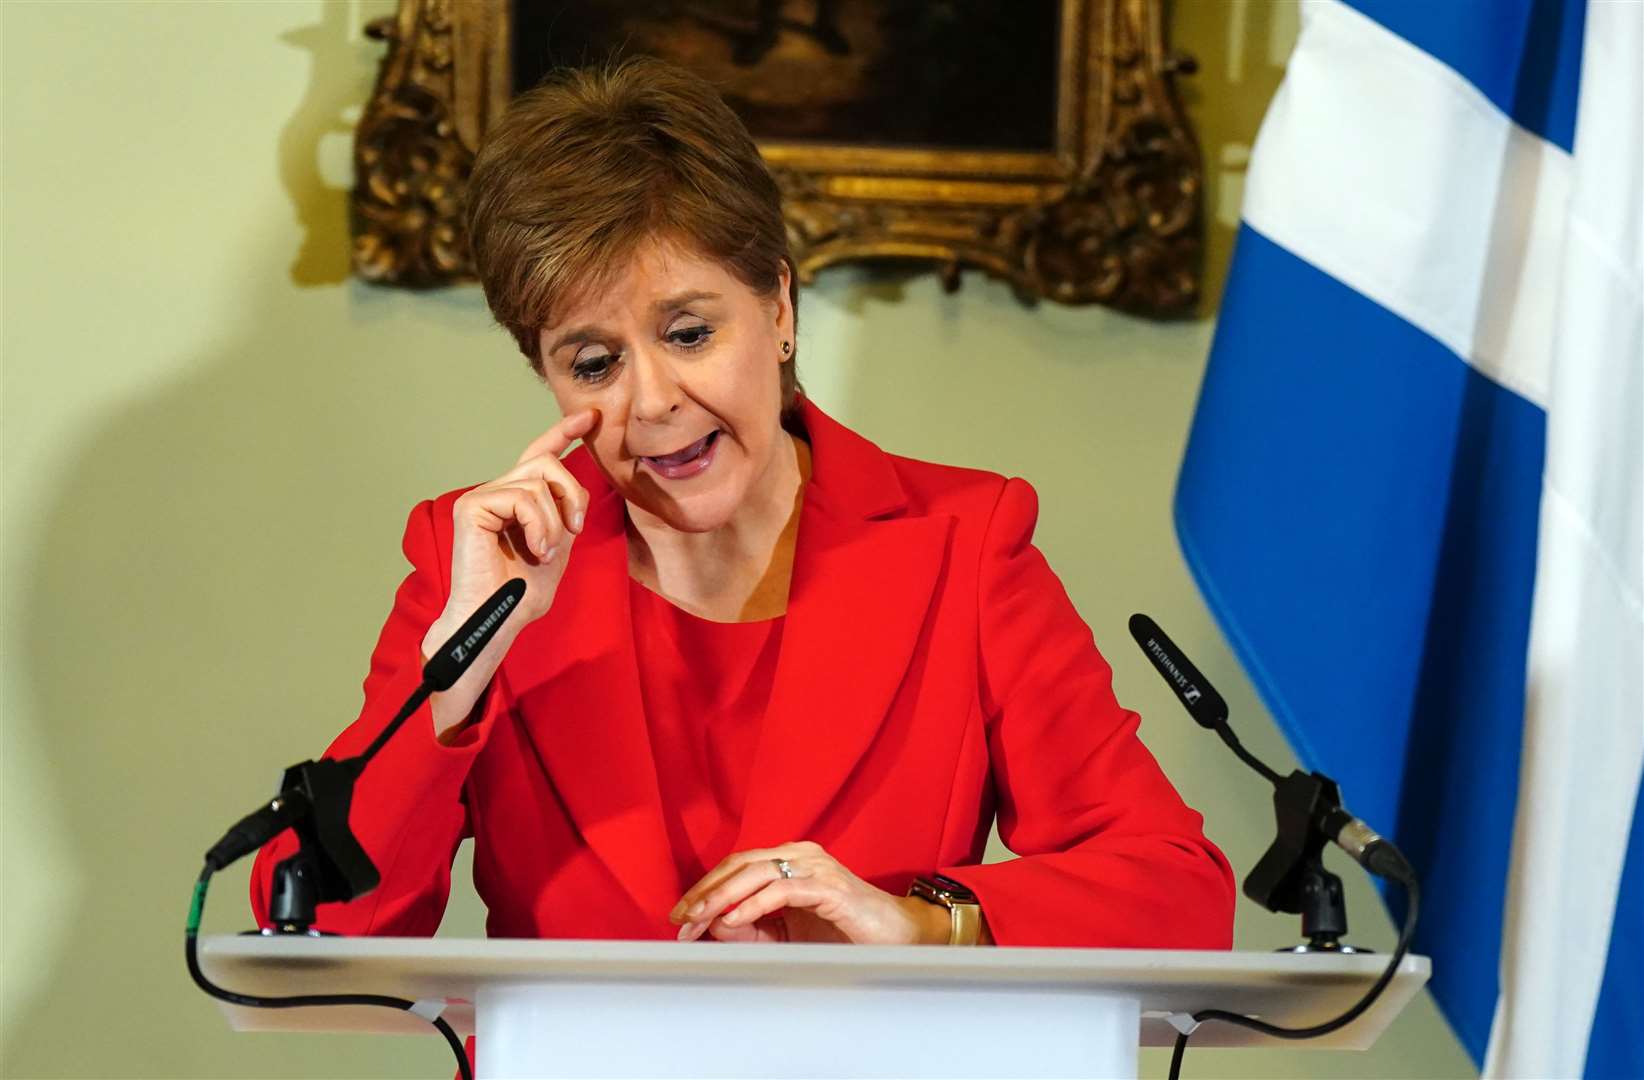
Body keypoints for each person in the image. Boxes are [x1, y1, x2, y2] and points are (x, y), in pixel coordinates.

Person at [251, 58, 1234, 950]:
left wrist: (923, 924)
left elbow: (1178, 898)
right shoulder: (474, 559)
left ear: (777, 306)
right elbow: (318, 922)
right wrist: (458, 675)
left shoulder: (965, 543)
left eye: (687, 332)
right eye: (594, 362)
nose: (653, 401)